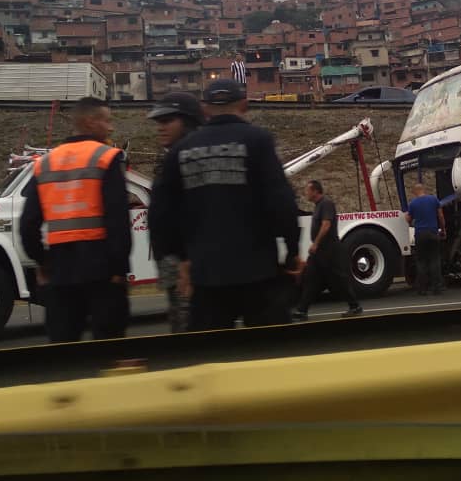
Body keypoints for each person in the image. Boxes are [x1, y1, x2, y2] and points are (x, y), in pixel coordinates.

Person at [150, 79, 301, 331]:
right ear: (244, 104)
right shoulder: (258, 140)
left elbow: (161, 213)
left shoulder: (181, 150)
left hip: (205, 276)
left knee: (212, 357)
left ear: (205, 108)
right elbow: (282, 201)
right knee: (272, 354)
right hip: (258, 272)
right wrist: (293, 249)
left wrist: (182, 259)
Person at [19, 98, 132, 342]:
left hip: (60, 271)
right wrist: (119, 268)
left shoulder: (46, 163)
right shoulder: (106, 157)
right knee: (110, 348)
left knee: (64, 349)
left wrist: (43, 261)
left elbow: (27, 225)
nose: (110, 128)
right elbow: (118, 219)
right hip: (102, 270)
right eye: (106, 120)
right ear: (89, 122)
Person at [146, 92, 204, 333]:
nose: (160, 127)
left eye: (167, 121)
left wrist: (185, 260)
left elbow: (191, 214)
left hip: (187, 267)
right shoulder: (172, 155)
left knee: (191, 334)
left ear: (188, 121)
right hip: (177, 265)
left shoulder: (190, 158)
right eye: (158, 122)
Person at [292, 180, 363, 321]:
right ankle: (302, 310)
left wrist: (316, 243)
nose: (305, 193)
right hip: (319, 251)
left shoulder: (326, 203)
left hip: (329, 249)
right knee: (311, 278)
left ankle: (355, 306)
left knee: (339, 279)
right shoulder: (318, 206)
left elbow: (326, 225)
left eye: (307, 190)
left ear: (315, 191)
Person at [406, 183, 446, 295]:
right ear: (424, 190)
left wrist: (411, 222)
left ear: (415, 192)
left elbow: (408, 219)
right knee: (435, 260)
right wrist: (443, 229)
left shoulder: (413, 203)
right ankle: (437, 287)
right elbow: (441, 216)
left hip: (420, 235)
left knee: (421, 261)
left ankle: (422, 289)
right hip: (433, 233)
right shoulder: (433, 200)